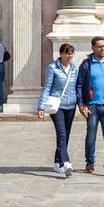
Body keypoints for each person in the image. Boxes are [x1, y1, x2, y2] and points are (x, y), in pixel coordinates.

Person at [75, 35, 104, 177]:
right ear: (93, 48)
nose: (102, 48)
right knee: (91, 136)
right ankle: (90, 162)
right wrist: (81, 105)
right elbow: (79, 85)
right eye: (99, 46)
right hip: (92, 107)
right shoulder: (86, 64)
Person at [35, 43, 78, 177]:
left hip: (71, 105)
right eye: (66, 53)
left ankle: (57, 162)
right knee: (62, 134)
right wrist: (41, 107)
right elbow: (47, 87)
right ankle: (65, 162)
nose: (69, 56)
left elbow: (77, 87)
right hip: (57, 106)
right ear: (60, 54)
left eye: (71, 53)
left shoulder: (74, 69)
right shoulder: (52, 68)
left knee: (66, 135)